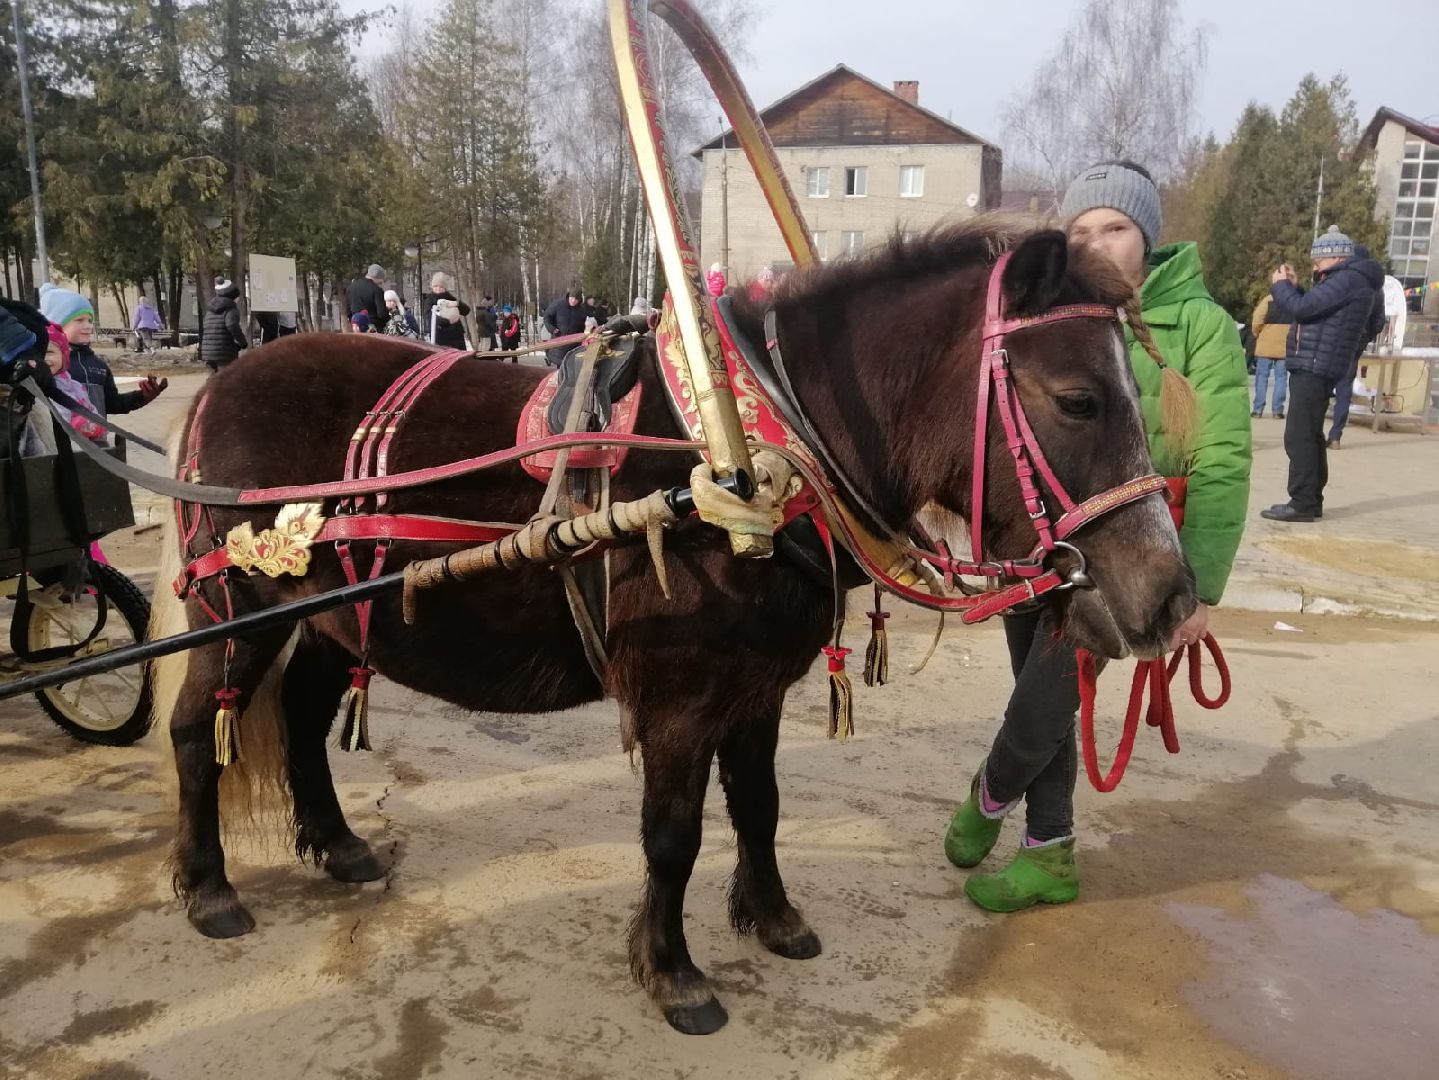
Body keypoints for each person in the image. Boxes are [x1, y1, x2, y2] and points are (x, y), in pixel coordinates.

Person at [944, 160, 1251, 913]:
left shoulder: (1198, 326)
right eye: (1080, 231)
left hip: (1128, 553)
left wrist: (1197, 587)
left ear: (1146, 237)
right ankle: (1049, 853)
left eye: (1114, 228)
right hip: (1043, 540)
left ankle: (988, 796)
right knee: (1041, 693)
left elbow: (1222, 461)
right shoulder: (1060, 319)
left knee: (1042, 703)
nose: (1096, 244)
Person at [1260, 226, 1383, 523]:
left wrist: (1280, 287)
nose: (1314, 266)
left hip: (1315, 364)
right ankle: (1310, 499)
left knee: (1299, 436)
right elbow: (1316, 310)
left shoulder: (1347, 279)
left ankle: (1301, 502)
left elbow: (1302, 310)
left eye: (1318, 261)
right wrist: (1294, 286)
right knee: (1312, 435)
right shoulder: (1353, 280)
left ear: (1337, 257)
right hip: (1322, 362)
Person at [39, 284, 166, 417]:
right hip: (59, 437)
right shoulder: (50, 365)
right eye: (79, 320)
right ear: (57, 325)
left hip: (95, 437)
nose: (88, 326)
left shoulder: (99, 366)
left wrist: (142, 397)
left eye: (89, 320)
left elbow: (112, 404)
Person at [1325, 245, 1388, 450]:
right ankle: (1335, 435)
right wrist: (1365, 338)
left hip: (1333, 341)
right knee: (1344, 389)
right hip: (1355, 344)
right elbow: (1379, 322)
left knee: (1322, 386)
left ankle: (1314, 433)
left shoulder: (1343, 281)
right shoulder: (1376, 289)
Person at [1250, 285, 1292, 418]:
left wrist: (1257, 333)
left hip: (1266, 345)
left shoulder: (1268, 300)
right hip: (1284, 346)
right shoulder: (1291, 301)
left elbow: (1257, 319)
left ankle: (1258, 409)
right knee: (1281, 378)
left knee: (1262, 377)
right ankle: (1277, 410)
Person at [200, 279, 250, 371]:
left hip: (208, 353)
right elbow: (232, 325)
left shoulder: (210, 309)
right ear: (233, 296)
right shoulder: (230, 309)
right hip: (224, 354)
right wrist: (243, 343)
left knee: (213, 381)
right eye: (237, 297)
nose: (238, 299)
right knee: (227, 381)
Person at [420, 272, 471, 349]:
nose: (438, 289)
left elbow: (466, 311)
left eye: (441, 287)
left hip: (456, 335)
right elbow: (429, 317)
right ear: (432, 286)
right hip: (440, 336)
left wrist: (457, 303)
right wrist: (448, 321)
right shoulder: (429, 300)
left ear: (445, 288)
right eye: (436, 286)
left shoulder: (450, 297)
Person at [542, 290, 587, 366]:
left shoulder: (581, 310)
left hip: (573, 343)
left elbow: (583, 326)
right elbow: (547, 317)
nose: (573, 301)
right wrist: (552, 329)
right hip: (559, 339)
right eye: (571, 298)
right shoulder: (558, 304)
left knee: (570, 366)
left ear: (579, 300)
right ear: (568, 297)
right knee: (560, 365)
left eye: (576, 299)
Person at [345, 264, 388, 332]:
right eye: (382, 280)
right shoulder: (376, 289)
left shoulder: (351, 287)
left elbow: (348, 310)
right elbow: (382, 313)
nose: (382, 283)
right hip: (373, 328)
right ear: (377, 276)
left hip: (356, 328)